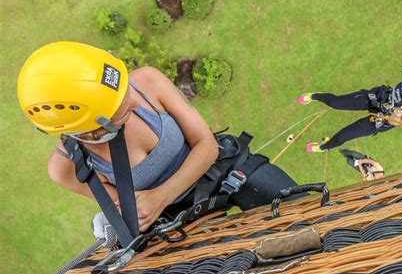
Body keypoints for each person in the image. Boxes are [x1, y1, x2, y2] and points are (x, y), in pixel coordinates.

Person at [17, 41, 301, 235]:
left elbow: (206, 146)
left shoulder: (148, 82)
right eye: (119, 110)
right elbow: (130, 206)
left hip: (222, 171)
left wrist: (161, 196)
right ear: (86, 130)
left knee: (302, 213)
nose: (132, 101)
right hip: (177, 219)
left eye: (124, 91)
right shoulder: (69, 167)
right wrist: (147, 208)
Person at [297, 57, 402, 152]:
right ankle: (314, 96)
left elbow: (398, 122)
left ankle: (323, 147)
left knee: (343, 137)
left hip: (380, 120)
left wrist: (396, 115)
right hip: (377, 98)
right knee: (335, 102)